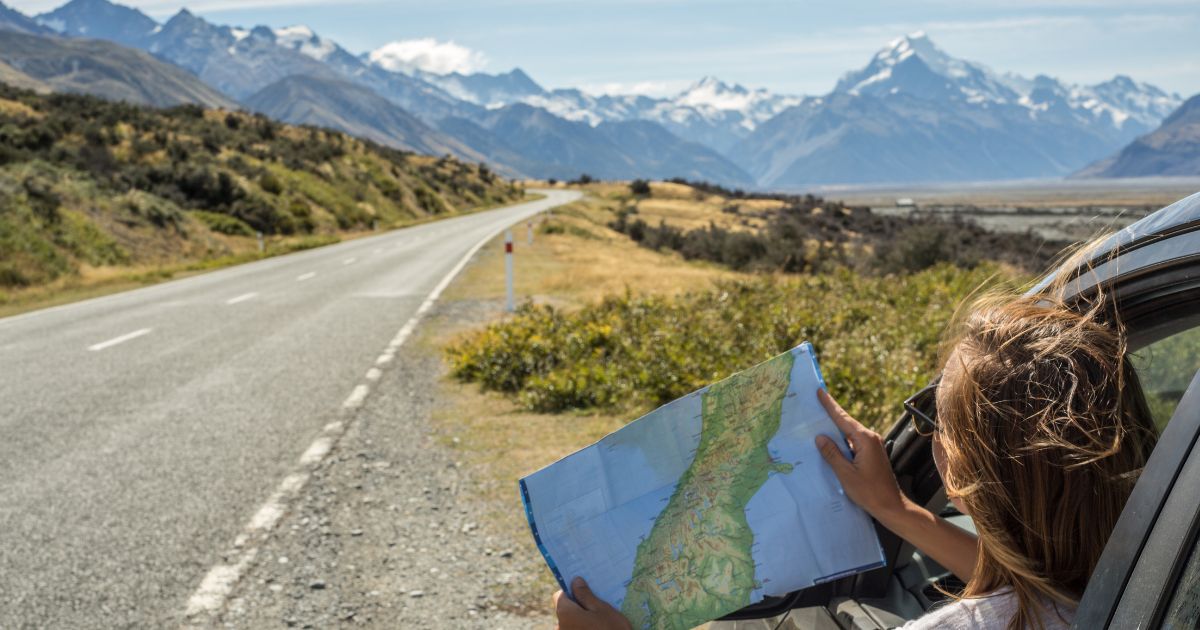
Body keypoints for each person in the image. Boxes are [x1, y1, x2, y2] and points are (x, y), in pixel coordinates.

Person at [552, 278, 1158, 630]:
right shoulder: (1142, 575)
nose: (925, 435)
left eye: (934, 420)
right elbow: (1040, 584)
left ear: (965, 474)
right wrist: (894, 509)